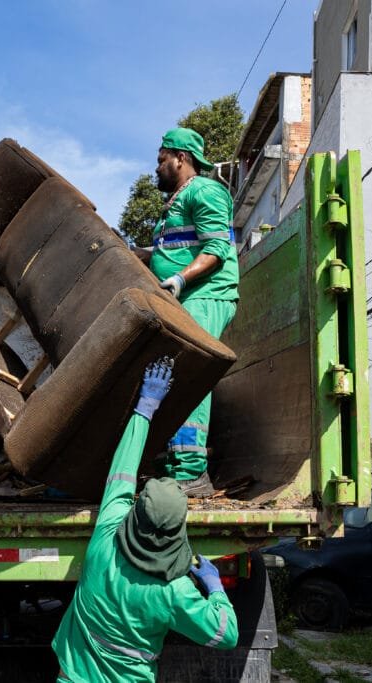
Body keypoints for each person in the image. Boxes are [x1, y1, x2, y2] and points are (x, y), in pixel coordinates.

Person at [52, 358, 238, 682]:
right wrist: (215, 588)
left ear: (136, 511)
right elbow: (226, 635)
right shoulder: (175, 591)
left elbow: (122, 471)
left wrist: (145, 408)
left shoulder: (106, 538)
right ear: (178, 528)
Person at [133, 128, 240, 496]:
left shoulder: (206, 191)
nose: (157, 167)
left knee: (189, 374)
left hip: (206, 294)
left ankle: (192, 470)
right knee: (173, 376)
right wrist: (145, 256)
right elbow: (179, 245)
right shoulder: (175, 202)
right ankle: (177, 461)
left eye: (162, 159)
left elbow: (215, 250)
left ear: (181, 157)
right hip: (187, 297)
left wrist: (178, 279)